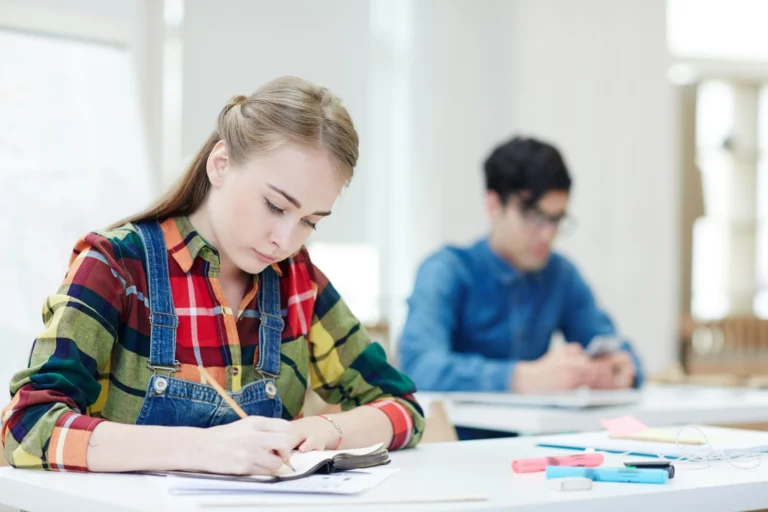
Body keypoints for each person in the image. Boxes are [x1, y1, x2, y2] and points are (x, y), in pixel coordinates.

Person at [1, 76, 423, 474]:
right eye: (275, 206)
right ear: (220, 164)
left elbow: (403, 409)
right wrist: (204, 449)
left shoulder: (298, 280)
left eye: (309, 220)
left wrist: (323, 431)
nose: (284, 238)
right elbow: (26, 427)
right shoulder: (116, 264)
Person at [398, 136, 643, 438]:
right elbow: (418, 367)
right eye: (534, 217)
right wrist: (522, 378)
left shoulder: (561, 274)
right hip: (454, 453)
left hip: (539, 453)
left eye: (556, 219)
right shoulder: (446, 270)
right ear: (493, 205)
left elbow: (614, 346)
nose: (548, 234)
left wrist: (620, 369)